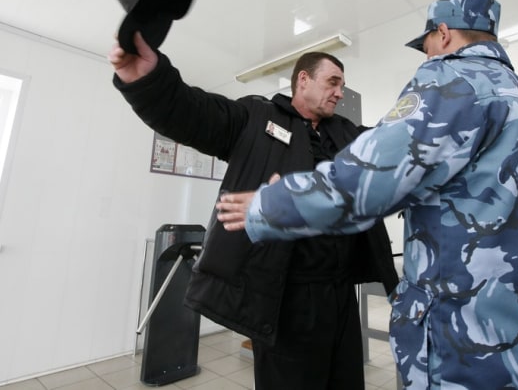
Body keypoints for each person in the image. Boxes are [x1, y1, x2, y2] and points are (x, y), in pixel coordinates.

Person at [216, 0, 518, 389]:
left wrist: (271, 205)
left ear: (443, 33)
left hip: (470, 337)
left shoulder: (451, 79)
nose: (426, 56)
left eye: (427, 46)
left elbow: (374, 176)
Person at [109, 32, 398, 390]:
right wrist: (149, 82)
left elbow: (392, 148)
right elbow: (193, 112)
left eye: (342, 85)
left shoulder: (347, 134)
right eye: (333, 82)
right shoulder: (257, 118)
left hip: (340, 295)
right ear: (303, 79)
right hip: (284, 295)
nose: (339, 92)